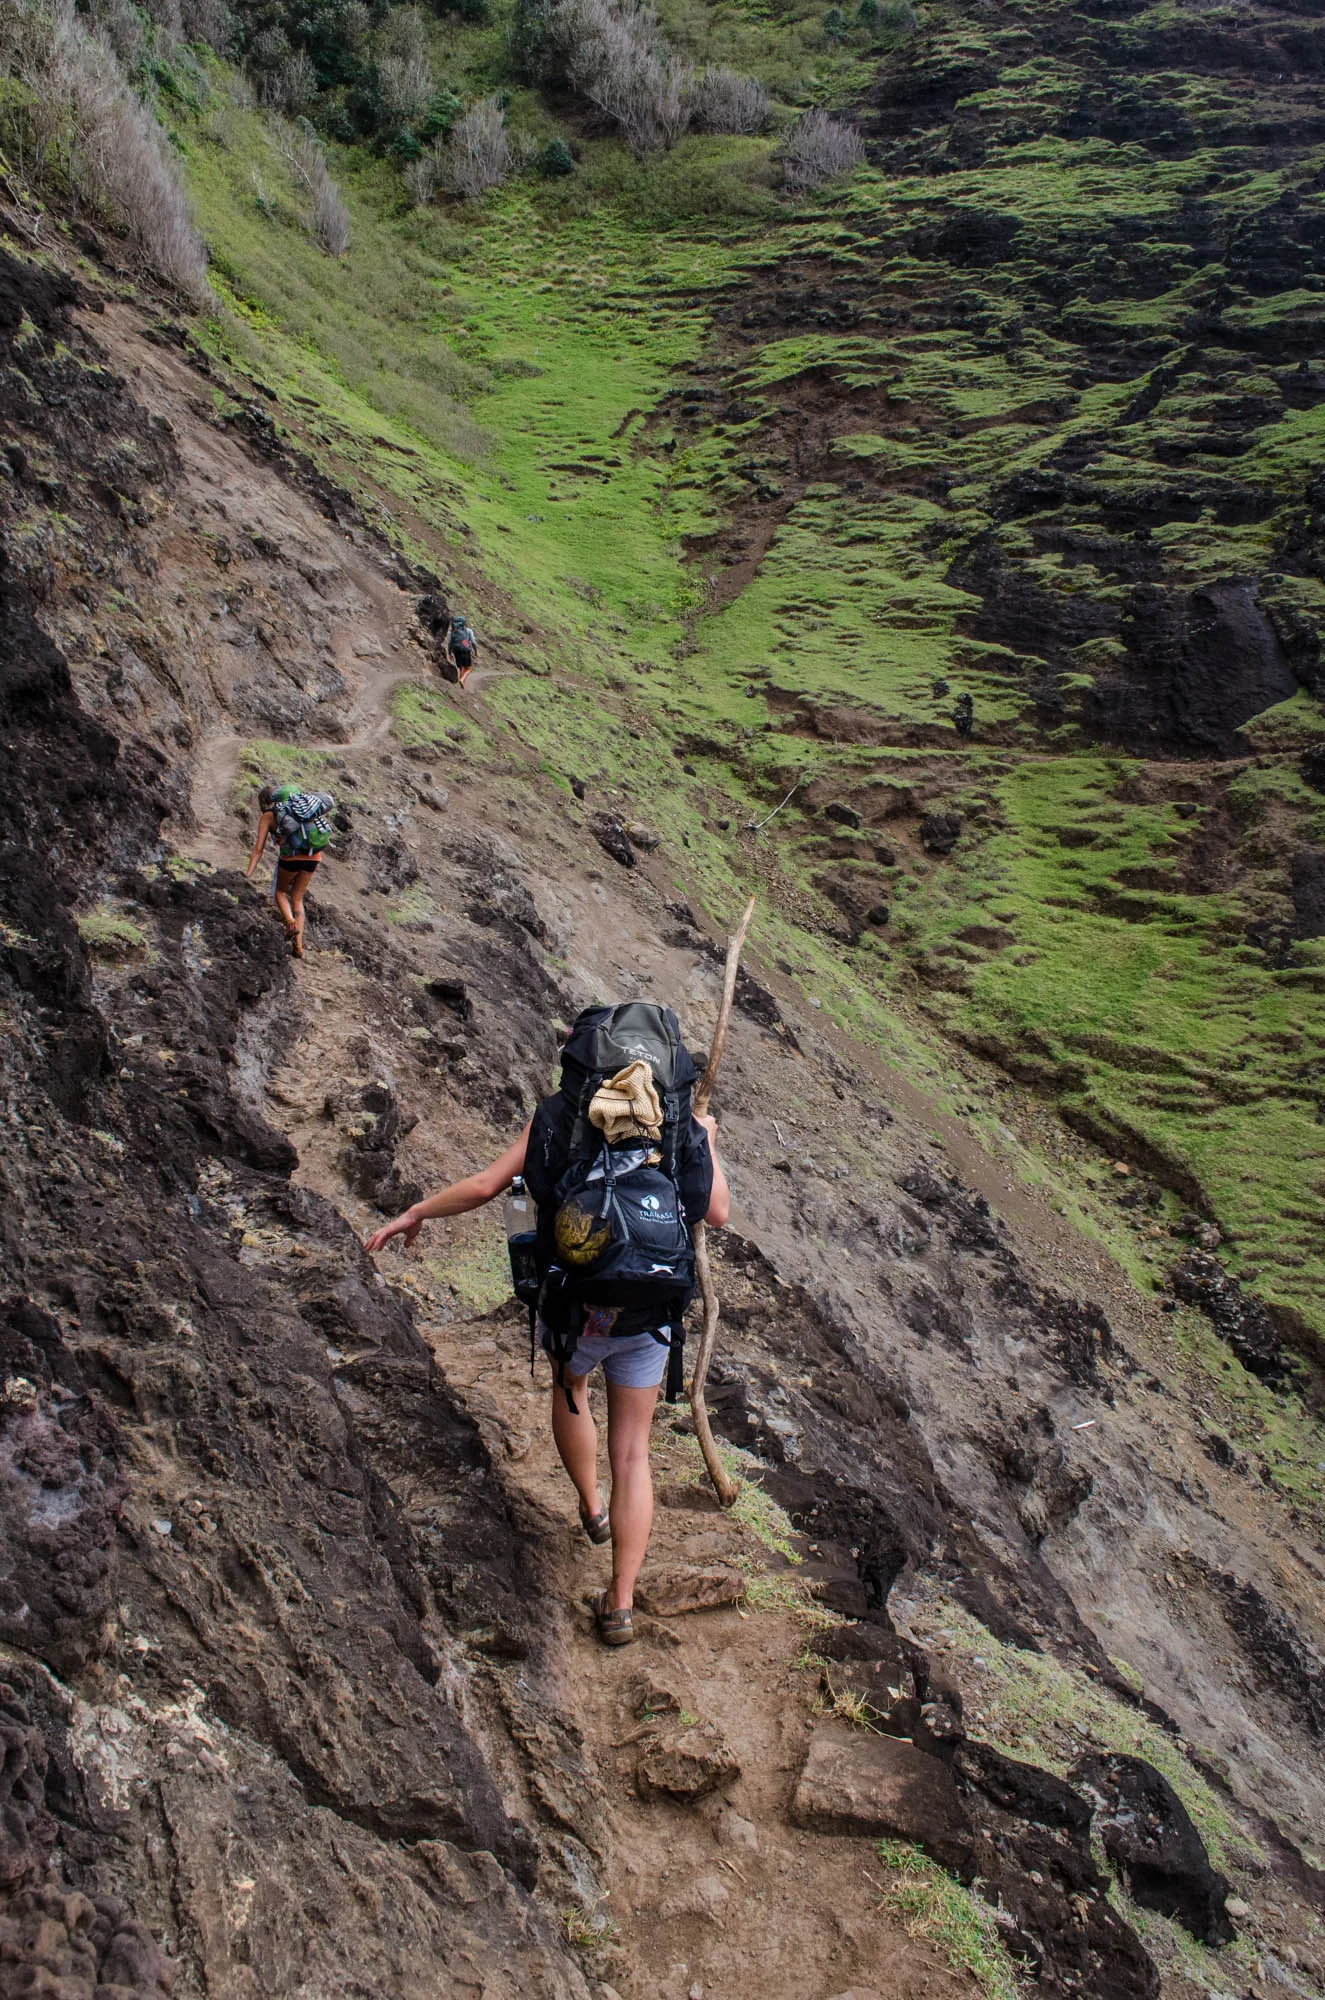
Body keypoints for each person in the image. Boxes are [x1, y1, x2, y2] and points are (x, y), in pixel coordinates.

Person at [363, 1015, 730, 1648]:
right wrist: (708, 1140)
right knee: (635, 1452)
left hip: (577, 1301)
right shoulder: (678, 1128)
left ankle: (590, 1508)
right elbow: (716, 1213)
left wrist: (414, 1212)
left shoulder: (558, 1115)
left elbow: (486, 1186)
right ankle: (619, 1603)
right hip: (649, 1309)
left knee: (572, 1389)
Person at [245, 783, 323, 959]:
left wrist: (247, 875)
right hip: (314, 856)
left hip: (290, 858)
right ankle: (299, 946)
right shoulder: (302, 810)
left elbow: (258, 850)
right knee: (297, 899)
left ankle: (290, 923)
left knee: (280, 892)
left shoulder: (269, 816)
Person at [446, 614, 478, 689]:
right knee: (469, 668)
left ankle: (462, 687)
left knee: (461, 667)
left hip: (456, 650)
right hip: (465, 649)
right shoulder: (468, 631)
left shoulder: (453, 632)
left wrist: (449, 653)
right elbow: (473, 642)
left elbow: (450, 643)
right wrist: (476, 652)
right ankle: (462, 679)